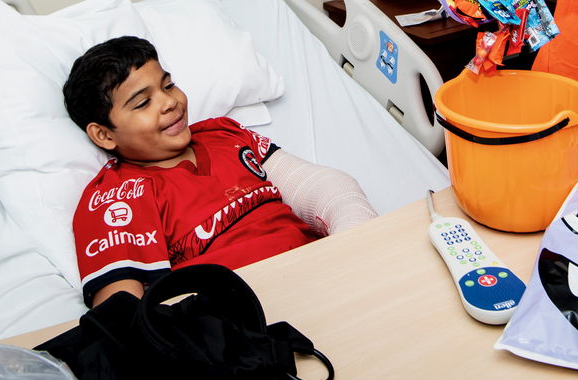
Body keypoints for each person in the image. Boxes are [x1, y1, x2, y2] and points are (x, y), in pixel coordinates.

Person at [63, 35, 376, 306]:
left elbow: (328, 189)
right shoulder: (115, 197)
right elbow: (122, 313)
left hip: (332, 271)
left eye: (168, 85)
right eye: (143, 103)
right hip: (244, 317)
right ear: (104, 134)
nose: (170, 102)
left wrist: (354, 249)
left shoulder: (224, 133)